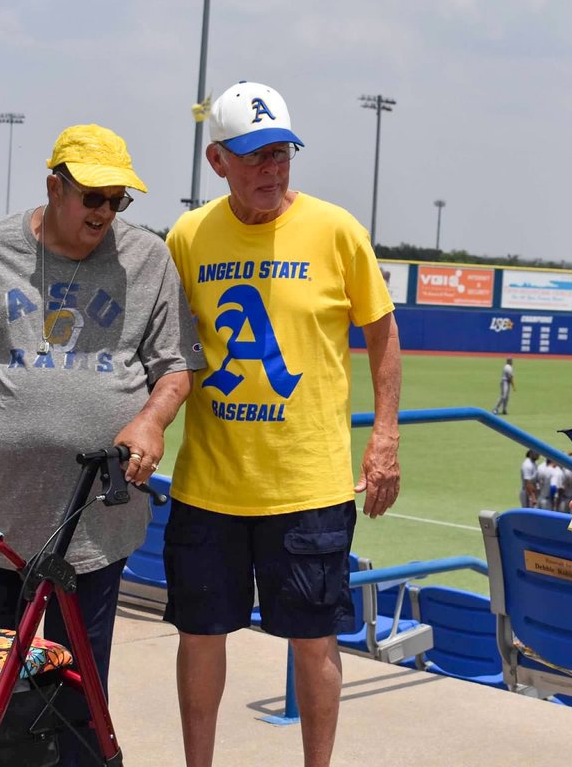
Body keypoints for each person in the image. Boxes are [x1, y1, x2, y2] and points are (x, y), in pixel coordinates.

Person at [0, 124, 204, 766]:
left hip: (95, 521)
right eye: (93, 197)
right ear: (55, 188)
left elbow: (177, 364)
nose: (105, 212)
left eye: (117, 200)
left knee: (78, 687)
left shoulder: (148, 258)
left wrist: (151, 420)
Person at [162, 80, 402, 767]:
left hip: (308, 486)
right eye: (255, 156)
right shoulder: (187, 236)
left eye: (282, 153)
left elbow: (382, 333)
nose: (272, 169)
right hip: (209, 484)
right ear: (217, 161)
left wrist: (385, 438)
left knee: (314, 643)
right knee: (199, 635)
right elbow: (166, 346)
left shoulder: (336, 230)